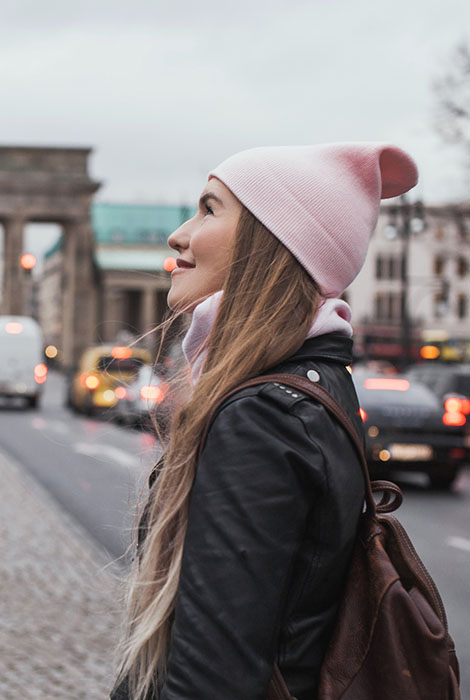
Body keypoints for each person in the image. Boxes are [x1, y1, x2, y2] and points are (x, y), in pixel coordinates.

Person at [111, 143, 418, 700]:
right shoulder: (317, 384)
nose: (178, 235)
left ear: (269, 243)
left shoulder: (262, 414)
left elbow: (211, 680)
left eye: (208, 208)